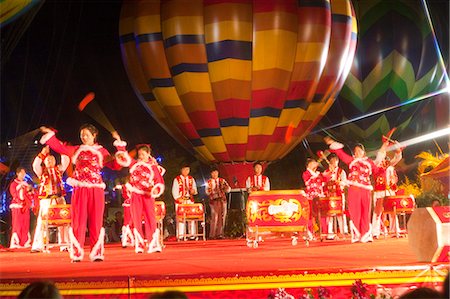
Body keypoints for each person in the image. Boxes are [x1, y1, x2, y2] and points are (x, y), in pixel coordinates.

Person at [39, 125, 125, 262]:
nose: (83, 137)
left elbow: (116, 165)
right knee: (78, 221)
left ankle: (96, 253)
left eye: (86, 135)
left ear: (94, 135)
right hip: (79, 189)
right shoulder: (76, 150)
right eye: (82, 135)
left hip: (96, 189)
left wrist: (120, 146)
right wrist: (50, 135)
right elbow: (60, 148)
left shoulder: (101, 151)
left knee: (96, 221)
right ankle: (77, 253)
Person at [324, 137, 385, 243]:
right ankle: (356, 235)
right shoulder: (351, 160)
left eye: (359, 151)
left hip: (365, 189)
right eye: (355, 151)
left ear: (363, 152)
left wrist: (384, 166)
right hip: (354, 189)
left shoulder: (369, 162)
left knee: (366, 212)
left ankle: (365, 235)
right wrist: (333, 143)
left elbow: (378, 170)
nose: (357, 153)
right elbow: (341, 154)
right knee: (355, 211)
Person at [117, 143, 165, 253]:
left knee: (150, 219)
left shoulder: (153, 167)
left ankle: (153, 244)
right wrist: (120, 144)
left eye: (143, 154)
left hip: (147, 195)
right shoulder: (134, 164)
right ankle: (139, 244)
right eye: (139, 154)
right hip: (135, 195)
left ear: (148, 154)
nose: (141, 156)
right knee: (136, 219)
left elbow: (159, 181)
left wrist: (156, 190)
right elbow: (125, 157)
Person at [31, 146, 70, 252]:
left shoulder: (59, 169)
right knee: (42, 221)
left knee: (63, 221)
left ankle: (64, 244)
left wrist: (59, 148)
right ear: (44, 161)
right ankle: (38, 245)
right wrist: (42, 153)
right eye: (47, 159)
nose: (50, 160)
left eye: (52, 159)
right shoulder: (41, 171)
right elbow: (35, 165)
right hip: (46, 199)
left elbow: (66, 160)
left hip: (59, 198)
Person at [372, 146, 402, 238]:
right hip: (379, 191)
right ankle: (375, 232)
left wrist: (398, 151)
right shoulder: (375, 165)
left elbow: (397, 158)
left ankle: (394, 230)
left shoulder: (390, 166)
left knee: (393, 212)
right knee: (377, 212)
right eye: (382, 153)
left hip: (390, 191)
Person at [322, 153, 348, 239]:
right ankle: (330, 232)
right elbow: (323, 181)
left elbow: (345, 182)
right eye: (332, 161)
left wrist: (338, 182)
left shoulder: (342, 171)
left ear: (338, 161)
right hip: (330, 195)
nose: (334, 162)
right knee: (330, 213)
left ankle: (343, 230)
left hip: (339, 194)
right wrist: (329, 173)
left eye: (335, 161)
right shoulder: (326, 172)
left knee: (341, 212)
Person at [9, 167, 35, 249]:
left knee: (25, 224)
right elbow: (14, 194)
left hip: (25, 207)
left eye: (24, 173)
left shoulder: (26, 184)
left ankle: (25, 241)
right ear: (18, 173)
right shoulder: (14, 184)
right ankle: (16, 242)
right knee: (17, 224)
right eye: (22, 173)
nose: (23, 175)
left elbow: (30, 194)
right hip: (17, 207)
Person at [172, 163, 198, 240]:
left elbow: (195, 190)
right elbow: (174, 191)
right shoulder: (177, 179)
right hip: (181, 201)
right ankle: (180, 235)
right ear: (181, 170)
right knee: (180, 218)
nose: (186, 171)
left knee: (191, 217)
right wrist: (178, 198)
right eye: (185, 169)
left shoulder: (191, 179)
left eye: (188, 169)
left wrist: (193, 191)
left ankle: (192, 235)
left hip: (190, 200)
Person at [206, 167, 231, 239]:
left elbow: (228, 189)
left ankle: (220, 233)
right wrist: (213, 191)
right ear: (211, 174)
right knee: (214, 217)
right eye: (213, 173)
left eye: (216, 172)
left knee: (222, 216)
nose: (215, 174)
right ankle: (212, 234)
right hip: (214, 201)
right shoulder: (209, 182)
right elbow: (207, 192)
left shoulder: (222, 180)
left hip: (222, 200)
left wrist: (225, 188)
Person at [302, 158, 325, 239]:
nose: (315, 164)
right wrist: (315, 175)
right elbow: (307, 182)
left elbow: (324, 181)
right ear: (309, 165)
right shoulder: (306, 173)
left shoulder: (318, 174)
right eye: (313, 163)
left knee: (320, 213)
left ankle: (322, 231)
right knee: (310, 214)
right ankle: (310, 231)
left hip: (318, 196)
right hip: (310, 197)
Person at [114, 181, 134, 248]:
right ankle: (127, 240)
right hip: (130, 205)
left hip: (133, 204)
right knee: (128, 223)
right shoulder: (128, 186)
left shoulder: (130, 185)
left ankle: (129, 240)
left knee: (129, 223)